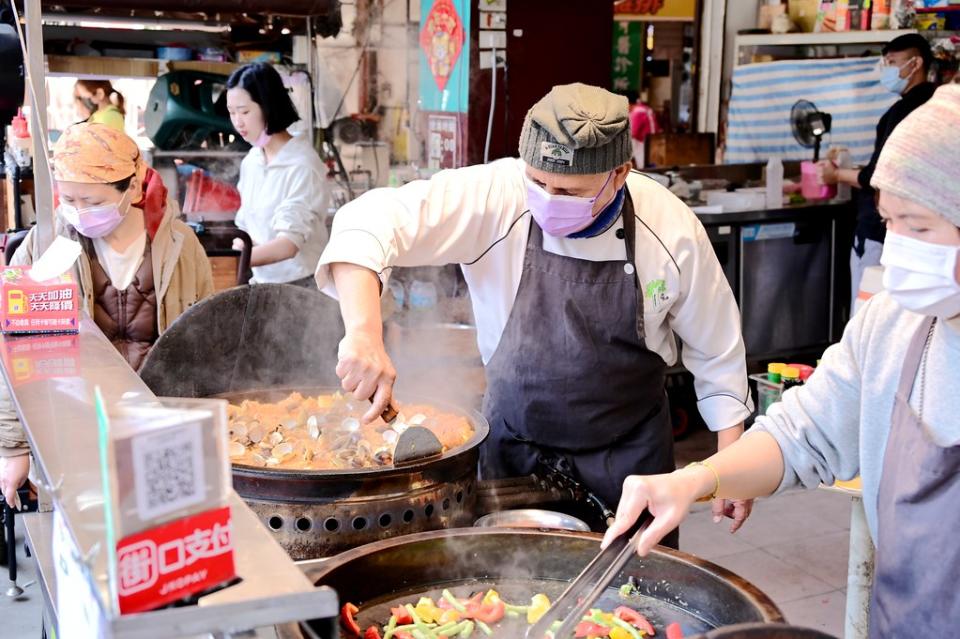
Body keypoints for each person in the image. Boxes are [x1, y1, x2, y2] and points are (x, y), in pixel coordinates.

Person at [317, 84, 754, 543]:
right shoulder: (496, 195)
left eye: (568, 190)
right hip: (515, 451)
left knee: (631, 600)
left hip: (630, 461)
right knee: (512, 589)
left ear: (620, 173)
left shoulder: (669, 227)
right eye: (538, 182)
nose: (547, 198)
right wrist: (364, 331)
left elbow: (717, 348)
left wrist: (732, 466)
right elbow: (366, 220)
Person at [604, 84, 960, 636]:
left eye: (918, 227)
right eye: (888, 222)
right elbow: (803, 433)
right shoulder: (892, 324)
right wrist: (696, 480)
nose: (897, 249)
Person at [0, 122, 215, 507]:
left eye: (94, 202)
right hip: (75, 431)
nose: (79, 213)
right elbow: (11, 347)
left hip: (162, 430)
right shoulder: (43, 246)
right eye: (69, 200)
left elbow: (208, 342)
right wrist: (12, 446)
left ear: (132, 187)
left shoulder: (182, 247)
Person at [816, 33, 936, 307]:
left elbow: (877, 178)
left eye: (892, 62)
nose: (887, 70)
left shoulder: (902, 111)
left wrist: (837, 175)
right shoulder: (936, 105)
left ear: (915, 64)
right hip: (916, 229)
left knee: (868, 308)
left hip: (880, 231)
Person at [226, 63, 329, 287]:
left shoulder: (302, 165)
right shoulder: (252, 161)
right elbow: (247, 227)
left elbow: (288, 245)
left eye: (244, 112)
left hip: (302, 285)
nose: (237, 122)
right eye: (231, 112)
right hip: (263, 282)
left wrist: (235, 261)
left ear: (268, 107)